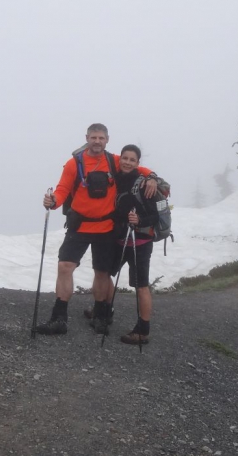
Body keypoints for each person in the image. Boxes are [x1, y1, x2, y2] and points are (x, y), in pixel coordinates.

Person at [34, 124, 158, 335]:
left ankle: (101, 316)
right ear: (87, 138)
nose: (97, 141)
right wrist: (53, 201)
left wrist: (153, 177)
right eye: (94, 137)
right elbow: (63, 189)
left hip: (106, 227)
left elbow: (137, 168)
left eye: (101, 138)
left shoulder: (114, 161)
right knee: (65, 266)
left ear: (107, 140)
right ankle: (59, 318)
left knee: (102, 272)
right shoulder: (74, 163)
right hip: (79, 225)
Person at [105, 144, 167, 344]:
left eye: (132, 160)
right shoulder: (115, 178)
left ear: (138, 163)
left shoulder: (144, 184)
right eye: (125, 158)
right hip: (119, 239)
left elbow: (155, 216)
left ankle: (143, 330)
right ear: (120, 159)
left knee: (141, 286)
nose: (127, 162)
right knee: (104, 275)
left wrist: (139, 221)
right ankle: (105, 310)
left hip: (140, 242)